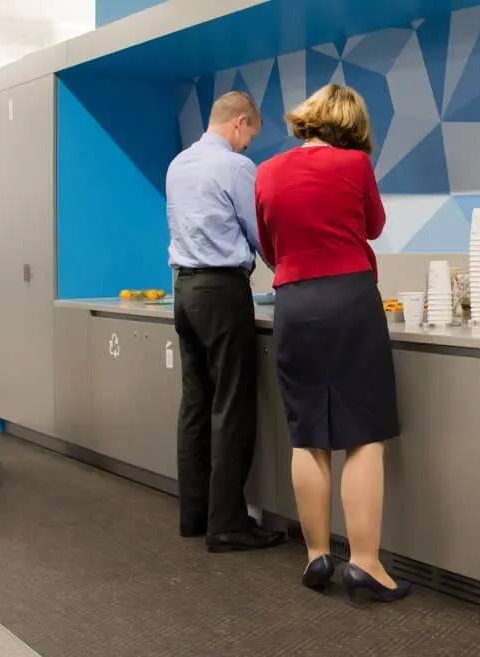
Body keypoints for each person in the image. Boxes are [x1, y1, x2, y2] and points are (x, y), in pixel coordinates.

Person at [255, 84, 410, 602]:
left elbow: (270, 246)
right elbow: (374, 225)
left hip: (293, 303)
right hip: (349, 299)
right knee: (363, 435)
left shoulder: (267, 171)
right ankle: (365, 563)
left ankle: (316, 555)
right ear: (352, 126)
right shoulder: (353, 166)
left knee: (307, 434)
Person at [166, 91, 284, 553]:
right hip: (221, 291)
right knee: (232, 406)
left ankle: (194, 516)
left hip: (184, 290)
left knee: (195, 403)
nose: (246, 147)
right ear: (238, 123)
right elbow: (258, 232)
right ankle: (229, 524)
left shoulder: (179, 164)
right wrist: (285, 267)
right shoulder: (236, 168)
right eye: (248, 137)